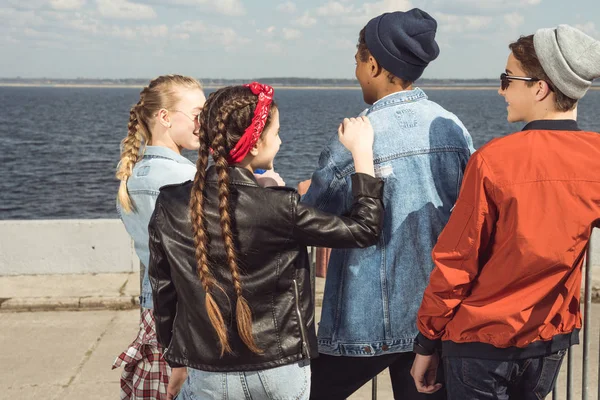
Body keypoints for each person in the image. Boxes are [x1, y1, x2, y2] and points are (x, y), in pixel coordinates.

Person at [147, 83, 385, 400]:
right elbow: (364, 229)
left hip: (207, 369)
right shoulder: (279, 206)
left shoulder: (170, 204)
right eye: (276, 133)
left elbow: (164, 290)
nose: (281, 140)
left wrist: (175, 359)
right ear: (255, 145)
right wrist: (362, 153)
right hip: (279, 368)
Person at [411, 25, 600, 399]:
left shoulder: (493, 161)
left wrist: (426, 342)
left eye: (507, 79)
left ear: (540, 88)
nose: (501, 90)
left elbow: (456, 263)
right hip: (549, 340)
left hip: (478, 342)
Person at [301, 9, 474, 399]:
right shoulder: (452, 128)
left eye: (358, 61)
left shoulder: (354, 137)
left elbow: (311, 216)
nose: (356, 71)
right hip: (434, 320)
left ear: (374, 64)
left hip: (363, 321)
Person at [112, 74, 206, 400]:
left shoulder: (134, 178)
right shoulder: (186, 178)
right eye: (197, 114)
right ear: (165, 117)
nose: (203, 123)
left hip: (154, 315)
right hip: (188, 320)